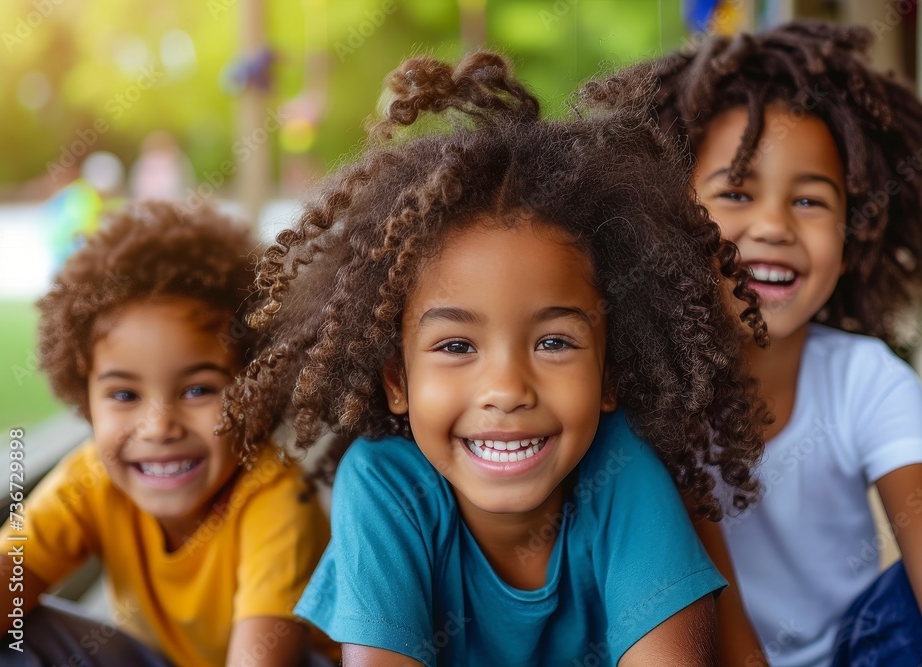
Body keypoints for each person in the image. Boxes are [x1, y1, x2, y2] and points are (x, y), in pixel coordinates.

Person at [223, 51, 771, 666]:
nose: (507, 389)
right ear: (397, 380)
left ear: (609, 373)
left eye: (554, 342)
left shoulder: (623, 471)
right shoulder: (384, 486)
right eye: (457, 346)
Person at [580, 20, 922, 667]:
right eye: (737, 192)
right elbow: (719, 625)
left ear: (851, 239)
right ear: (670, 220)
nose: (774, 225)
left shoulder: (869, 379)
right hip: (710, 651)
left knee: (915, 595)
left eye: (809, 201)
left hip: (863, 648)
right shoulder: (652, 397)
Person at [0, 201, 334, 666]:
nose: (158, 427)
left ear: (258, 389)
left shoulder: (274, 498)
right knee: (23, 633)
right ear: (85, 399)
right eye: (124, 395)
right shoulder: (90, 479)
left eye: (198, 390)